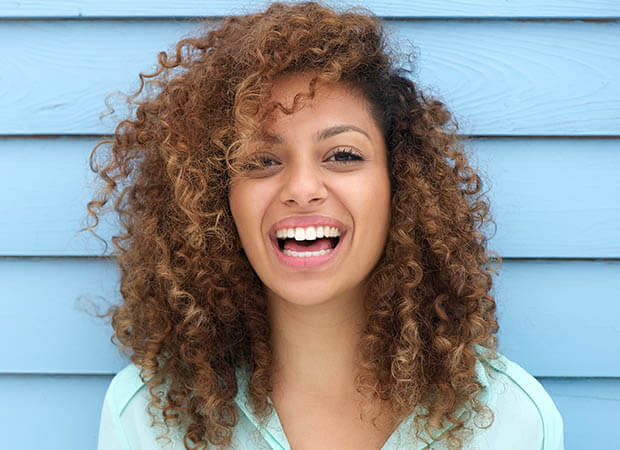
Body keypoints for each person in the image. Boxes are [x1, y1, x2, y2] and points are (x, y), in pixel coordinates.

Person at [89, 2, 563, 449]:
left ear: (400, 183)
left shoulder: (509, 419)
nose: (301, 188)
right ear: (216, 200)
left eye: (342, 155)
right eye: (261, 160)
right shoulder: (149, 415)